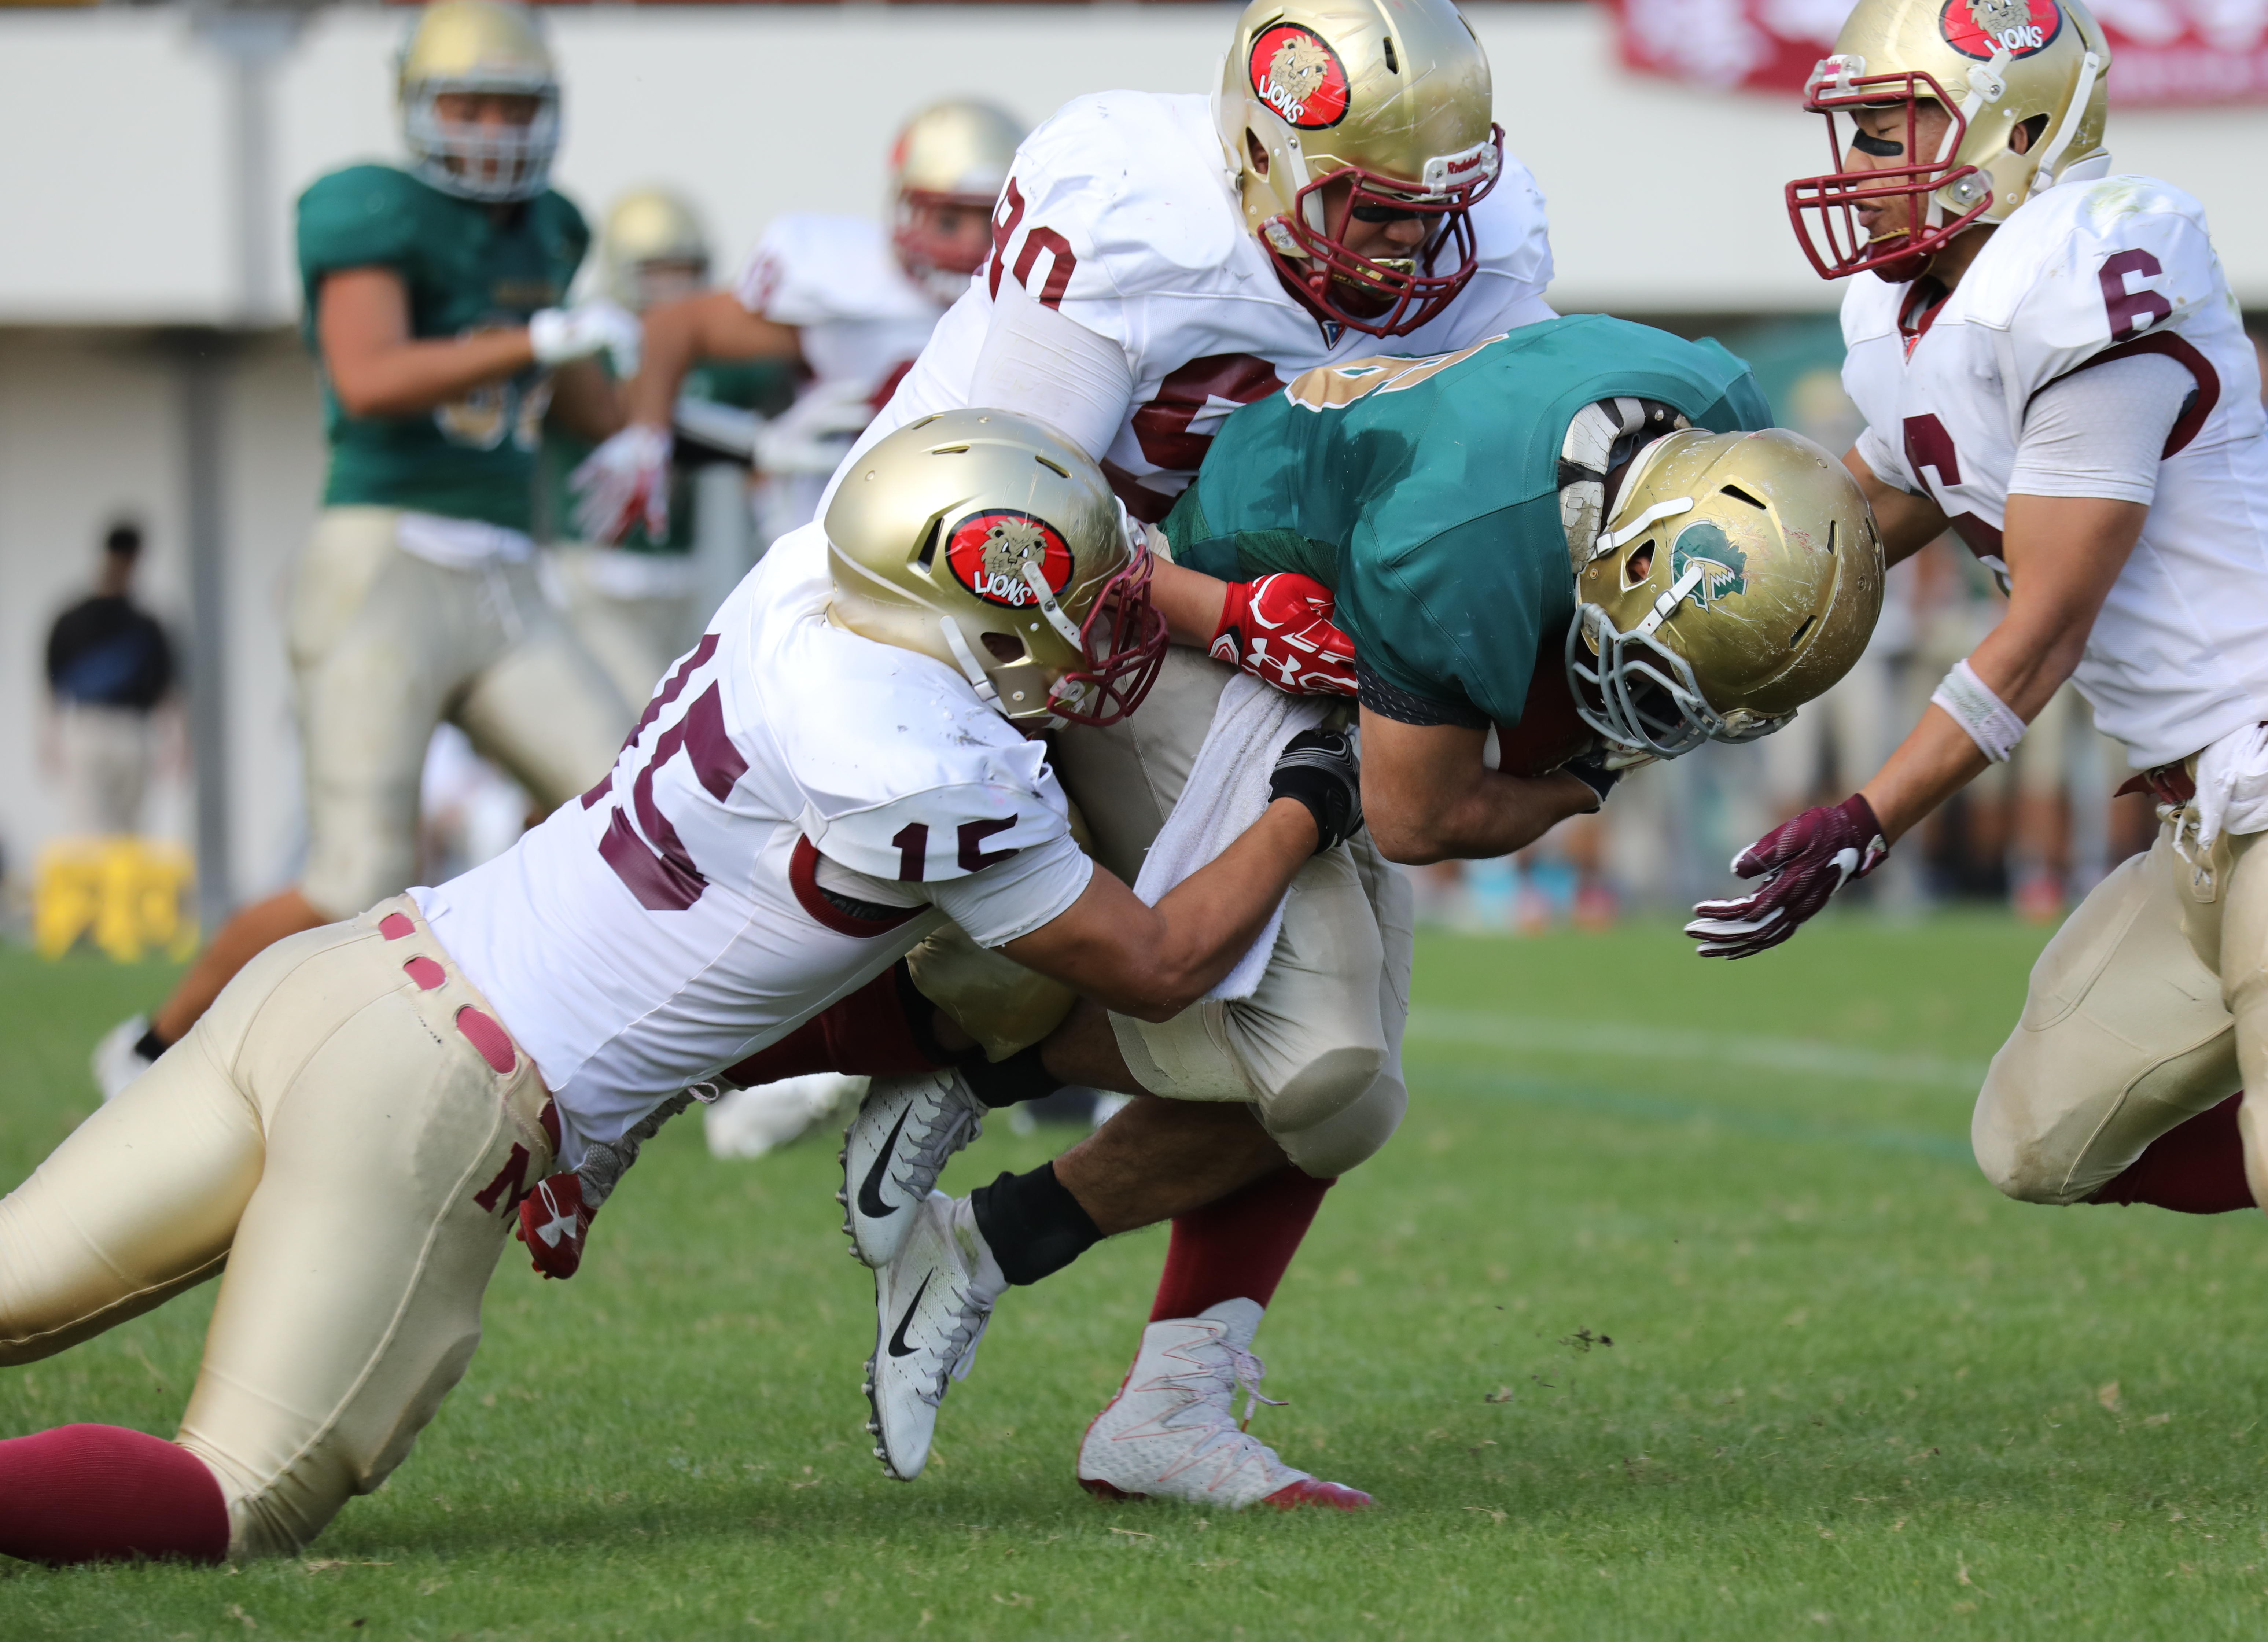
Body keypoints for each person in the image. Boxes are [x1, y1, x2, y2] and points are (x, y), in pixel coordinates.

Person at [0, 410, 1365, 1568]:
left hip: (342, 973)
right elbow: (1161, 958)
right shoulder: (929, 766)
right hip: (439, 1095)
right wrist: (1310, 792)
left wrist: (1213, 611)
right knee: (241, 1492)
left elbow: (1023, 615)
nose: (1098, 640)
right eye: (1067, 621)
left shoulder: (805, 577)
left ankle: (942, 1072)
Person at [837, 320, 1884, 1504]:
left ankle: (1112, 1359)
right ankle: (965, 1065)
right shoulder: (1468, 541)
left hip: (1339, 626)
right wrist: (1590, 774)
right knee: (1326, 1072)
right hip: (1218, 634)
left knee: (1347, 1097)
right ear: (1632, 552)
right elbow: (1419, 817)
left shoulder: (1722, 424)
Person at [1699, 0, 2268, 1568]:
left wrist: (1862, 818)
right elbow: (1871, 502)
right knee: (2038, 1135)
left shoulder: (2087, 272)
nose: (1860, 160)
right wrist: (1692, 576)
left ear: (2015, 125)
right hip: (2202, 821)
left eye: (1893, 123)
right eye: (1855, 124)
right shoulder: (1915, 309)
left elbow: (2041, 622)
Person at [793, 0, 1556, 1506]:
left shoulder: (1487, 242)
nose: (1413, 253)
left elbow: (1474, 481)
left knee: (1344, 1088)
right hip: (1028, 605)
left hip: (1264, 633)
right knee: (1300, 1044)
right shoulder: (1134, 202)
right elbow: (1008, 514)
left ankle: (1105, 1339)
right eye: (1377, 212)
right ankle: (942, 1043)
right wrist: (1230, 607)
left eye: (1437, 211)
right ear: (1267, 162)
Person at [91, 0, 642, 1099]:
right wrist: (534, 336)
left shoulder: (550, 228)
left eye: (513, 103)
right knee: (355, 874)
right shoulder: (373, 209)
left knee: (633, 812)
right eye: (468, 101)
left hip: (503, 575)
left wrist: (664, 427)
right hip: (384, 566)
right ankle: (151, 1049)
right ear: (416, 106)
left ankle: (559, 1041)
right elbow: (370, 375)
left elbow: (588, 399)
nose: (490, 126)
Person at [573, 100, 1027, 552]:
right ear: (906, 207)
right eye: (949, 220)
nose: (970, 244)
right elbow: (674, 326)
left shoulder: (1037, 300)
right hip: (833, 544)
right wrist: (648, 437)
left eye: (988, 220)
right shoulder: (844, 284)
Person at [538, 185, 794, 705]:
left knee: (677, 717)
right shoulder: (591, 345)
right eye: (657, 272)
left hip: (684, 571)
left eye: (685, 271)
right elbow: (612, 420)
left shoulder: (718, 356)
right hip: (592, 572)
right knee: (630, 723)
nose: (674, 289)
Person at [43, 521, 177, 838]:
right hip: (88, 727)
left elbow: (166, 687)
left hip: (133, 729)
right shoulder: (74, 619)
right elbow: (52, 683)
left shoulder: (146, 624)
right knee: (87, 832)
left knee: (129, 833)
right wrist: (50, 736)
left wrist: (174, 738)